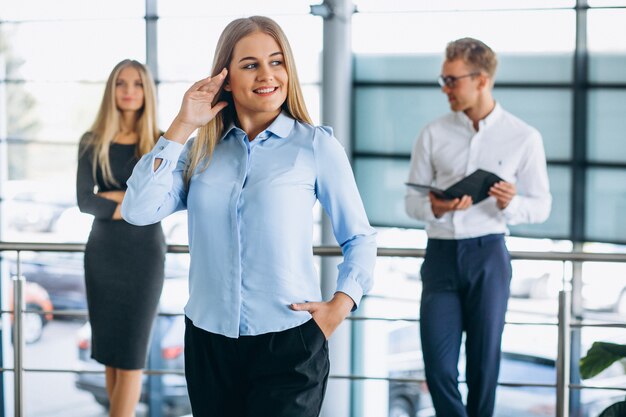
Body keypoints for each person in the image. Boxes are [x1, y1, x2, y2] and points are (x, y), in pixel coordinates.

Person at [121, 16, 376, 417]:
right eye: (251, 64)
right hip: (208, 343)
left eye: (276, 62)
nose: (267, 75)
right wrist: (182, 124)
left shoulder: (315, 147)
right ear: (225, 78)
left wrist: (339, 306)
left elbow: (359, 237)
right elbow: (137, 211)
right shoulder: (201, 152)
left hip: (288, 345)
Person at [405, 38, 552, 417]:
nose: (446, 89)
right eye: (443, 79)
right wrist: (434, 206)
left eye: (452, 80)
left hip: (489, 255)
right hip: (439, 257)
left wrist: (510, 202)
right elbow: (411, 202)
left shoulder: (524, 137)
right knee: (438, 368)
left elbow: (542, 206)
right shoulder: (432, 133)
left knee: (484, 367)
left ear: (482, 80)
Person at [76, 59, 164, 417]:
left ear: (147, 92)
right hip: (103, 255)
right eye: (121, 84)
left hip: (144, 256)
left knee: (130, 357)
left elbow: (159, 202)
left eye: (137, 84)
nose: (129, 91)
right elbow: (85, 201)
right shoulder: (91, 141)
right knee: (111, 356)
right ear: (111, 90)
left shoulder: (159, 142)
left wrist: (113, 198)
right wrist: (132, 201)